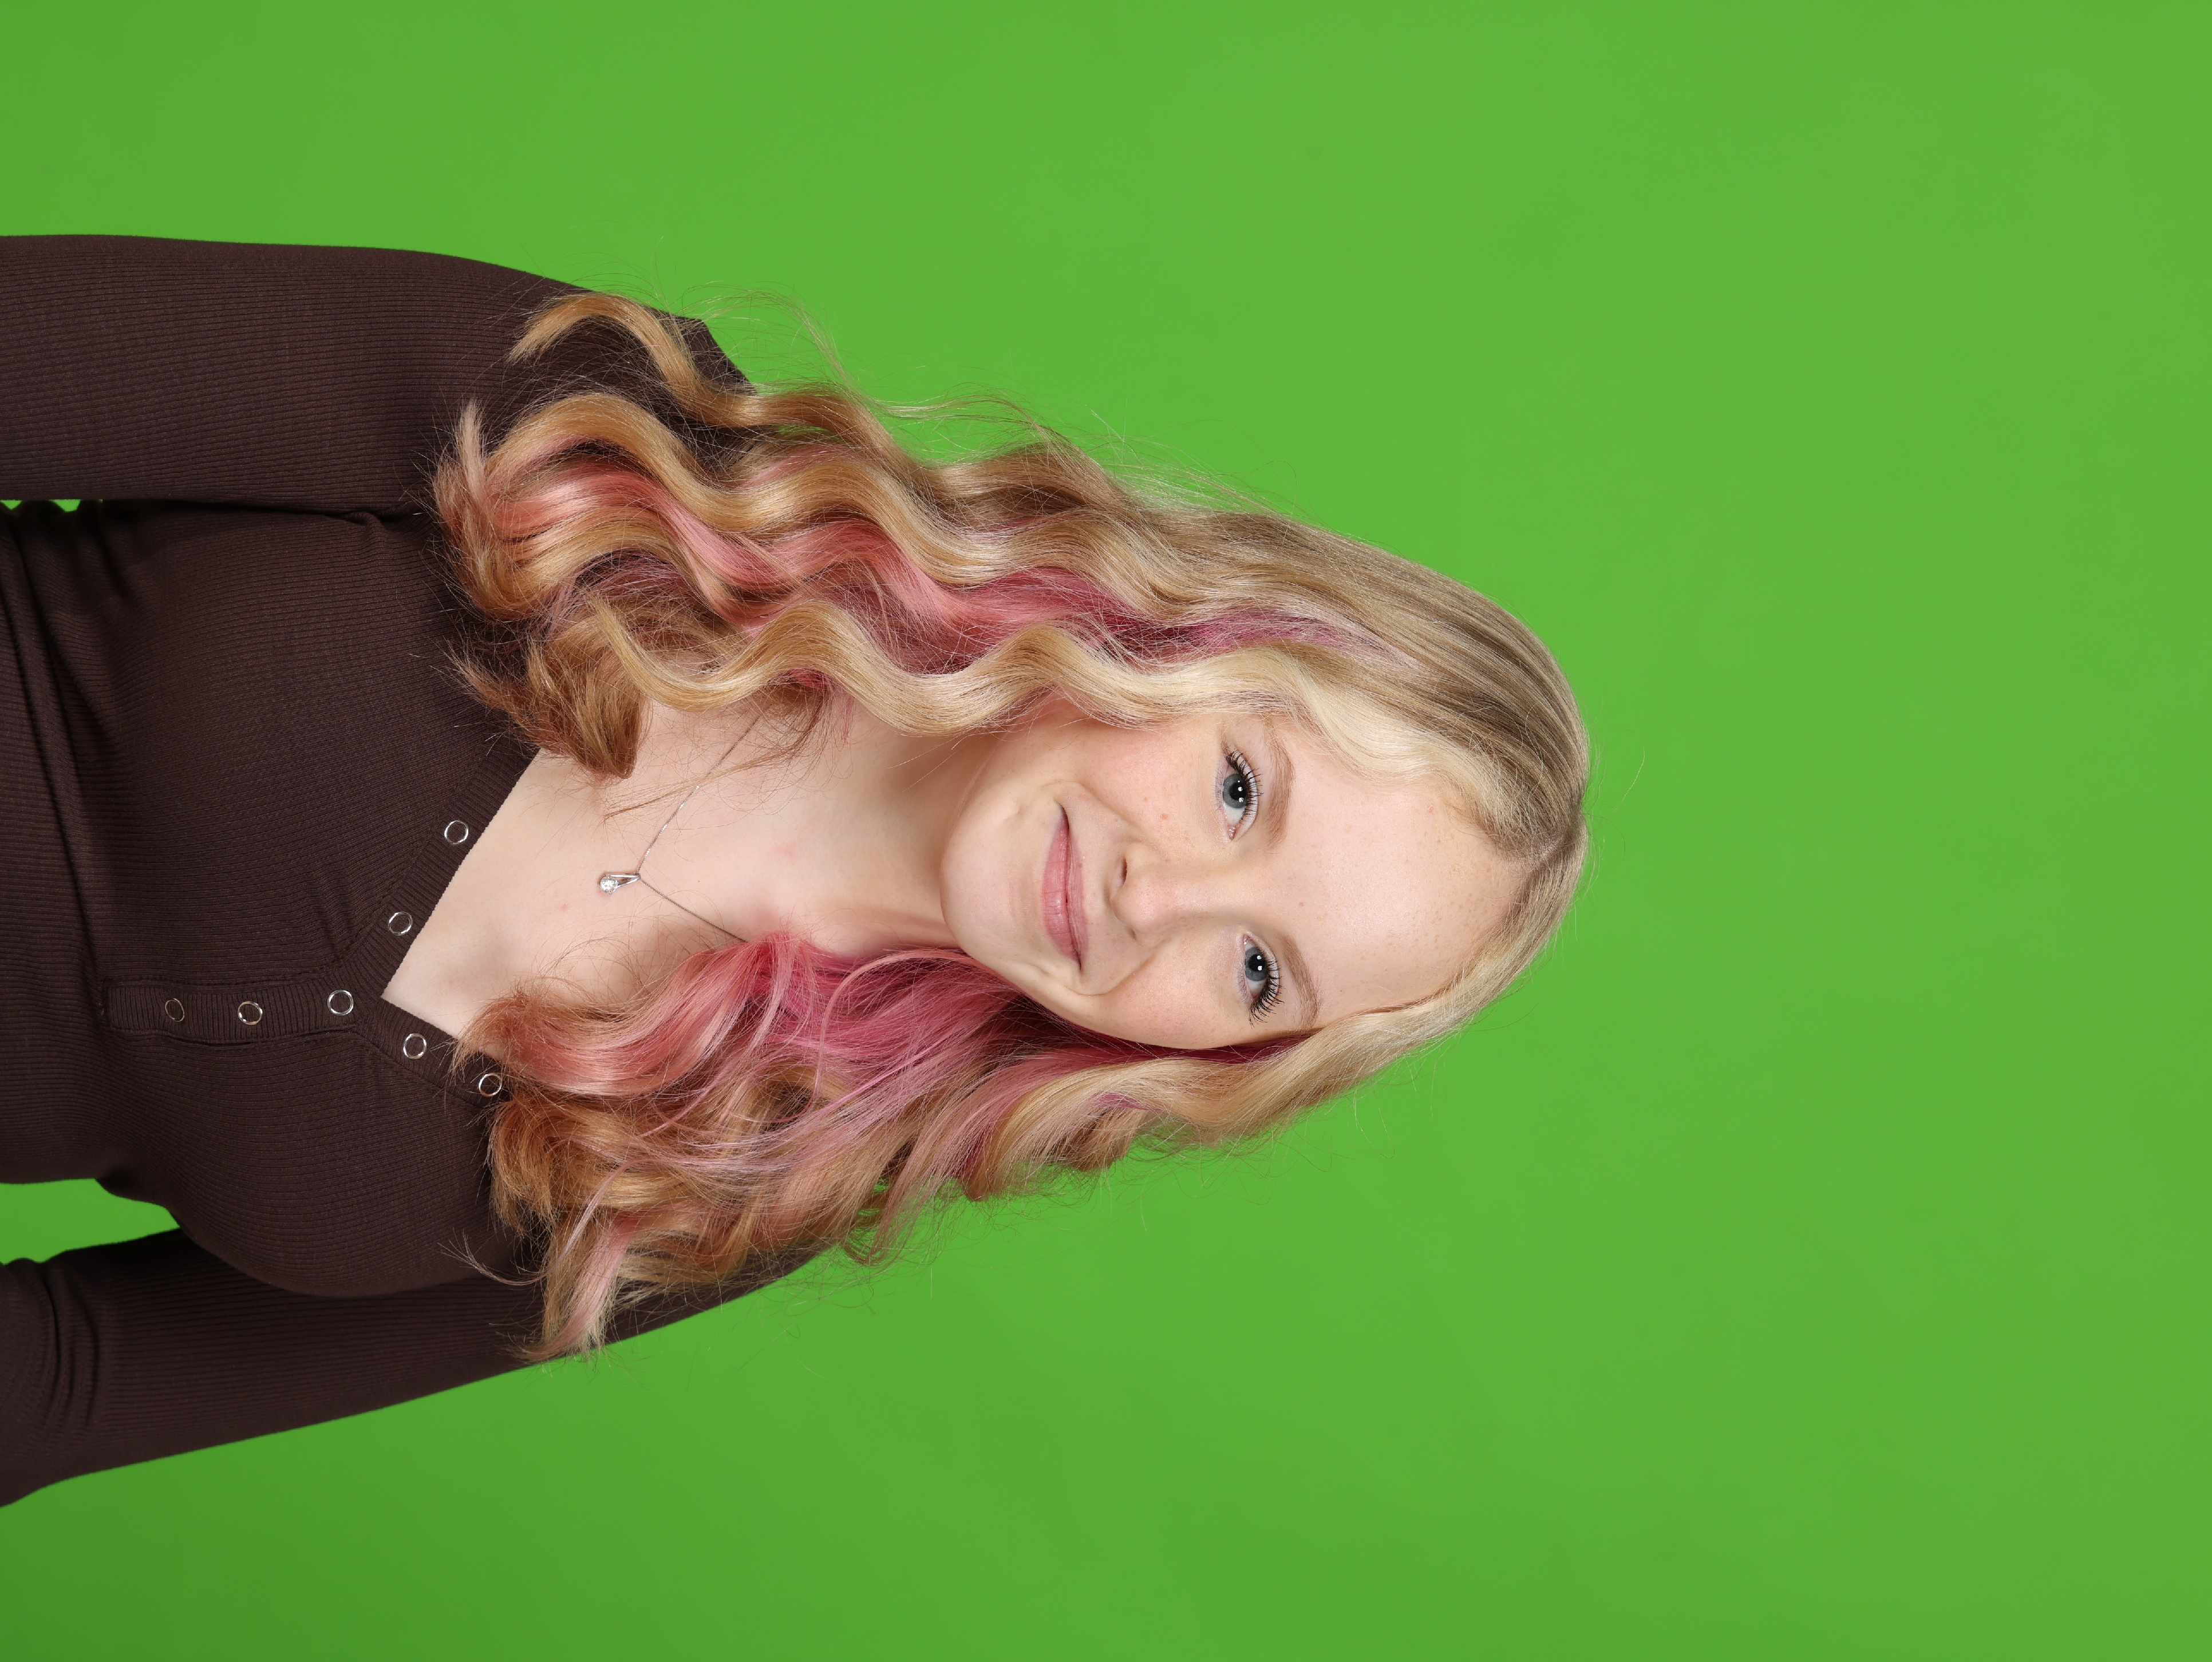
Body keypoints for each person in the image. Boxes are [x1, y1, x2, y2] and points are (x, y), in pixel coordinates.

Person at [0, 235, 1587, 1505]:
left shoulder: (752, 1170)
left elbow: (67, 1383)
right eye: (1239, 791)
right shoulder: (617, 441)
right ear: (1182, 632)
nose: (1156, 899)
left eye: (1256, 972)